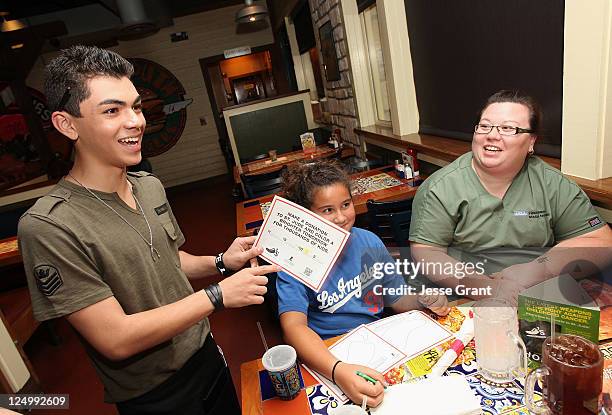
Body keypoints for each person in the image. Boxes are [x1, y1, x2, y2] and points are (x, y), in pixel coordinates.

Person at [17, 45, 280, 415]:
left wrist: (222, 262)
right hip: (155, 395)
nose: (136, 121)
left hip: (204, 353)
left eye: (136, 107)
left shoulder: (148, 185)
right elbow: (115, 338)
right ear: (67, 124)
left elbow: (169, 260)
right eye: (112, 110)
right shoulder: (49, 226)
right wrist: (217, 296)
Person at [276, 161, 449, 408]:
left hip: (378, 343)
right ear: (306, 215)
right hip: (328, 354)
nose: (340, 217)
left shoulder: (369, 241)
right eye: (327, 210)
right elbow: (293, 328)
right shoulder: (294, 261)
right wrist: (338, 370)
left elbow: (397, 298)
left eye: (346, 205)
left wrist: (423, 299)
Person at [409, 90, 612, 301]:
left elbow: (601, 241)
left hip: (535, 290)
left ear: (531, 141)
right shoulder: (441, 187)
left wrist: (533, 272)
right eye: (485, 126)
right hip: (462, 297)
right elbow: (427, 253)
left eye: (508, 128)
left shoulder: (552, 183)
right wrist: (487, 288)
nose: (492, 135)